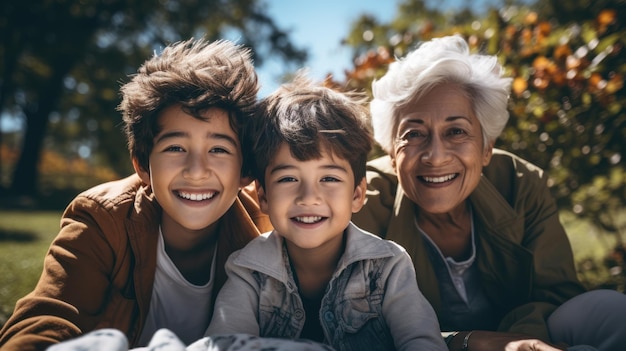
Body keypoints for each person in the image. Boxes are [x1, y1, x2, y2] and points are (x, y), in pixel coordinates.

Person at [351, 34, 626, 351]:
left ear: (486, 149)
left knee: (611, 311)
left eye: (456, 131)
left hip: (525, 336)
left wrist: (519, 343)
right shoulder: (362, 203)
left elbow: (556, 294)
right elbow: (358, 327)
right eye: (414, 134)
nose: (436, 156)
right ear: (390, 152)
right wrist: (468, 343)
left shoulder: (520, 183)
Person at [0, 38, 272, 351]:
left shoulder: (264, 228)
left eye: (219, 149)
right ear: (143, 165)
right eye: (175, 148)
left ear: (245, 170)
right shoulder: (102, 219)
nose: (197, 171)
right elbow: (46, 318)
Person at [205, 73, 447, 351]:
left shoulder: (388, 266)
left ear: (357, 195)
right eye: (288, 179)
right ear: (263, 197)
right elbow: (224, 343)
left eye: (329, 179)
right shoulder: (248, 270)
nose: (309, 197)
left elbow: (421, 341)